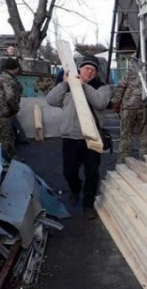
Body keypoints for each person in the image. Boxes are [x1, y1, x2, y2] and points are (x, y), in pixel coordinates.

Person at [47, 55, 112, 220]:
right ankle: (75, 188)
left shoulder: (102, 87)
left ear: (96, 73)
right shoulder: (67, 86)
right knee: (69, 172)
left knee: (92, 173)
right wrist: (64, 83)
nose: (90, 72)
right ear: (79, 69)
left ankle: (88, 205)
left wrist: (83, 86)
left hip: (92, 138)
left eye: (93, 70)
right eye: (86, 69)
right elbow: (51, 100)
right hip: (70, 138)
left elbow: (100, 103)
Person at [113, 59, 147, 164]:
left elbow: (121, 87)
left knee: (126, 136)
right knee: (144, 138)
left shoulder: (130, 73)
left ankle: (123, 163)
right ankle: (144, 163)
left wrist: (116, 102)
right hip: (144, 107)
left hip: (128, 107)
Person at [0, 58, 22, 159]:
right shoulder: (7, 79)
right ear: (14, 68)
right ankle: (7, 160)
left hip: (1, 111)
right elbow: (10, 97)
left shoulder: (3, 77)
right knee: (6, 137)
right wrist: (15, 108)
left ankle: (9, 158)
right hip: (3, 112)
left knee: (8, 135)